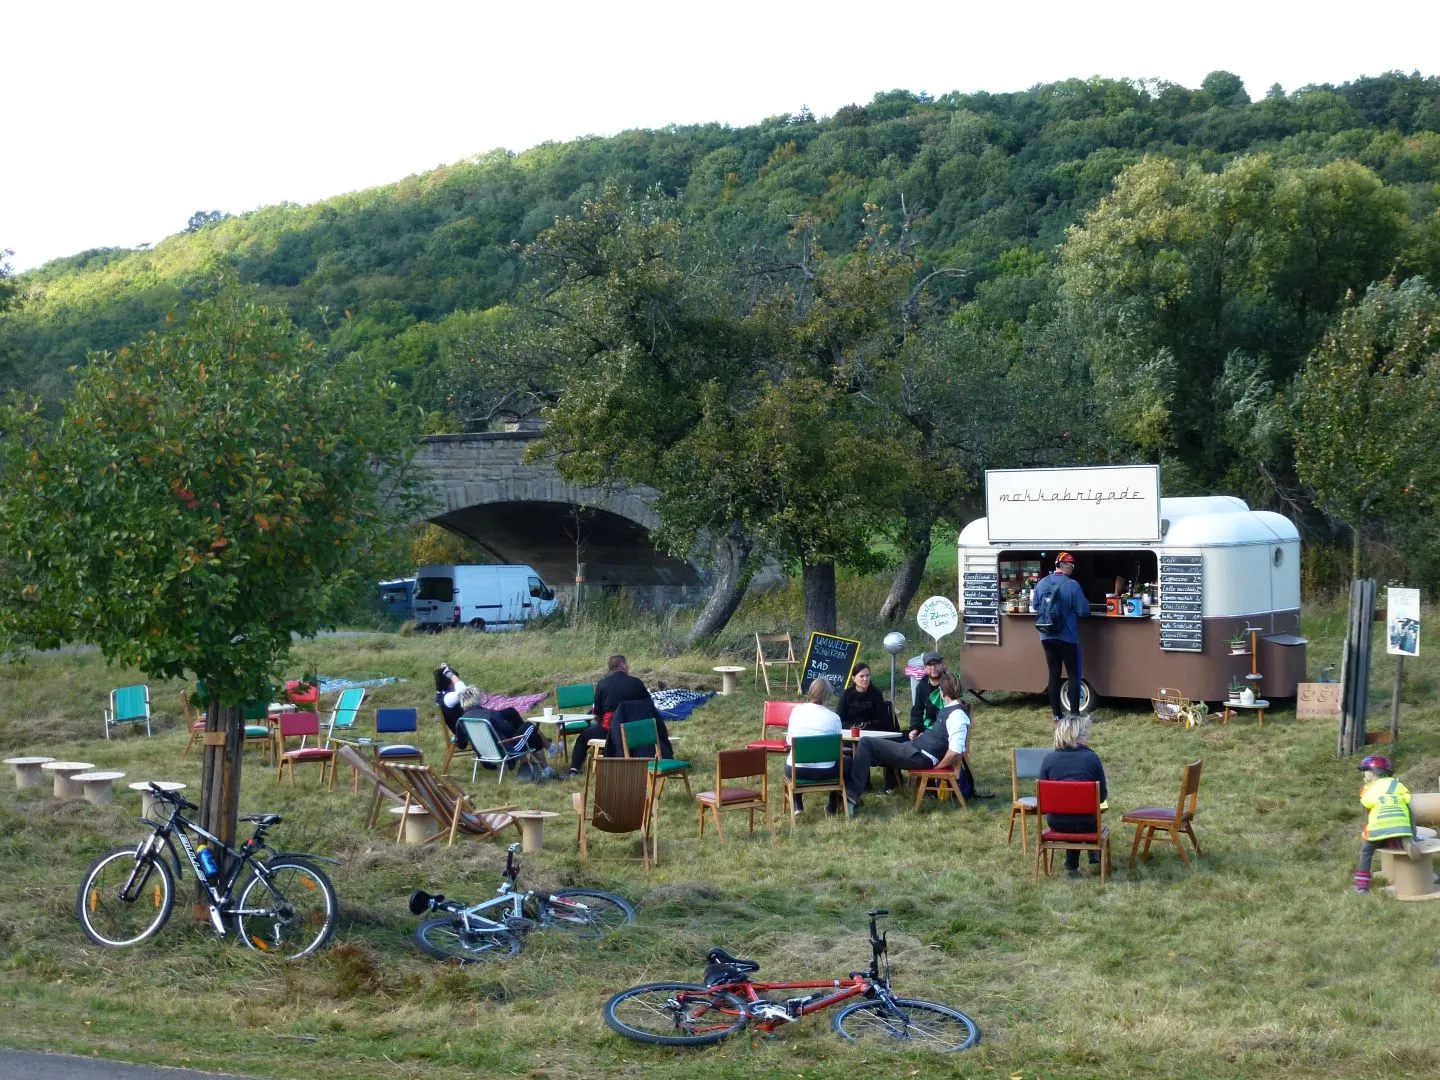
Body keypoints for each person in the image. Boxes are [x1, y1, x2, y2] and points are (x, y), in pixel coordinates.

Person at [846, 673, 972, 811]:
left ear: (942, 692)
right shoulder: (950, 710)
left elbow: (955, 750)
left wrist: (938, 767)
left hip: (919, 755)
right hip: (915, 749)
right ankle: (863, 788)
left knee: (865, 743)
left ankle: (850, 795)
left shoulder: (957, 714)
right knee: (881, 743)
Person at [1038, 715, 1107, 878]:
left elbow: (1040, 797)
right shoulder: (1092, 758)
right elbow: (1102, 796)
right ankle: (1092, 853)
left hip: (1057, 822)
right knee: (1085, 818)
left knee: (1070, 815)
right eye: (1085, 733)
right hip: (1087, 822)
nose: (1087, 736)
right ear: (1077, 737)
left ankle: (1072, 867)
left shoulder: (1048, 760)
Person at [568, 654, 654, 775]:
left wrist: (601, 723)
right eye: (627, 664)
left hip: (609, 731)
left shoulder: (602, 684)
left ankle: (574, 770)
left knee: (582, 738)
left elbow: (597, 714)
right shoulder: (636, 683)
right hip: (635, 732)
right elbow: (649, 706)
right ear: (623, 665)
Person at [1031, 551, 1090, 723]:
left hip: (1046, 635)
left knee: (1053, 674)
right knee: (1073, 675)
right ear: (1063, 565)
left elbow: (1035, 606)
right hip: (1068, 637)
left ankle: (1057, 715)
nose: (1072, 569)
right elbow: (1084, 611)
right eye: (1070, 565)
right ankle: (1074, 715)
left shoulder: (1042, 583)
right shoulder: (1072, 585)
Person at [1354, 753, 1415, 893]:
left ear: (1371, 774)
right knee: (1407, 814)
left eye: (1365, 773)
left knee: (1366, 850)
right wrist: (1412, 833)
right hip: (1402, 826)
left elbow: (1367, 805)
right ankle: (1405, 840)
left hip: (1379, 828)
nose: (1363, 777)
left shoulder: (1368, 789)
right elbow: (1408, 800)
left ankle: (1362, 886)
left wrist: (1366, 832)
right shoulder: (1398, 785)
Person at [836, 663, 901, 793]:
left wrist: (868, 724)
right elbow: (839, 720)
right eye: (861, 676)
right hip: (851, 734)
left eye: (867, 675)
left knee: (884, 744)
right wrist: (853, 726)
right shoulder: (846, 695)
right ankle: (862, 784)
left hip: (874, 732)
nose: (865, 679)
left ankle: (891, 784)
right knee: (856, 747)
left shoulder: (876, 694)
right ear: (854, 678)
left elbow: (882, 719)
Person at [786, 678, 844, 814]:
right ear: (827, 695)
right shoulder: (834, 717)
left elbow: (789, 740)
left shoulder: (796, 711)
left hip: (797, 771)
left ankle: (798, 804)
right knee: (844, 763)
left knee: (791, 759)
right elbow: (837, 746)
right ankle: (832, 805)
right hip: (826, 772)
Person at [458, 685, 550, 759]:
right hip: (505, 752)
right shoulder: (490, 714)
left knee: (511, 713)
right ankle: (547, 759)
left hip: (483, 755)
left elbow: (461, 745)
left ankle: (547, 752)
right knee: (529, 726)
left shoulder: (461, 721)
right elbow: (509, 731)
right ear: (478, 699)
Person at [434, 663, 470, 750]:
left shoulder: (441, 695)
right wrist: (451, 675)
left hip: (465, 731)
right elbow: (463, 691)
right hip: (469, 733)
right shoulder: (448, 698)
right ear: (450, 682)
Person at [909, 652, 947, 733]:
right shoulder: (921, 686)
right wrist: (914, 729)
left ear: (942, 666)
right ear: (924, 668)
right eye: (929, 665)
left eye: (936, 664)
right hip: (926, 729)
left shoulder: (951, 683)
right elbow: (917, 711)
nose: (933, 667)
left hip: (945, 729)